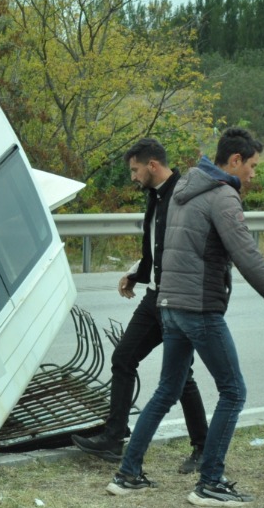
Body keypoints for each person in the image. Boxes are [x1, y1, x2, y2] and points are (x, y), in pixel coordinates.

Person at [107, 127, 264, 506]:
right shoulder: (222, 196)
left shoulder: (182, 192)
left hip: (170, 307)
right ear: (234, 161)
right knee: (233, 392)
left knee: (167, 389)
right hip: (199, 309)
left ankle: (127, 473)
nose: (253, 174)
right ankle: (211, 481)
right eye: (252, 165)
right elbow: (248, 257)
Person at [74, 139, 210, 471]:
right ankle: (114, 437)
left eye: (135, 170)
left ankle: (204, 448)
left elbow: (189, 245)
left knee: (180, 375)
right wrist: (137, 273)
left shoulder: (183, 195)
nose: (133, 177)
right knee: (124, 357)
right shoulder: (156, 195)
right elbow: (159, 243)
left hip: (179, 298)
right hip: (156, 295)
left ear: (152, 165)